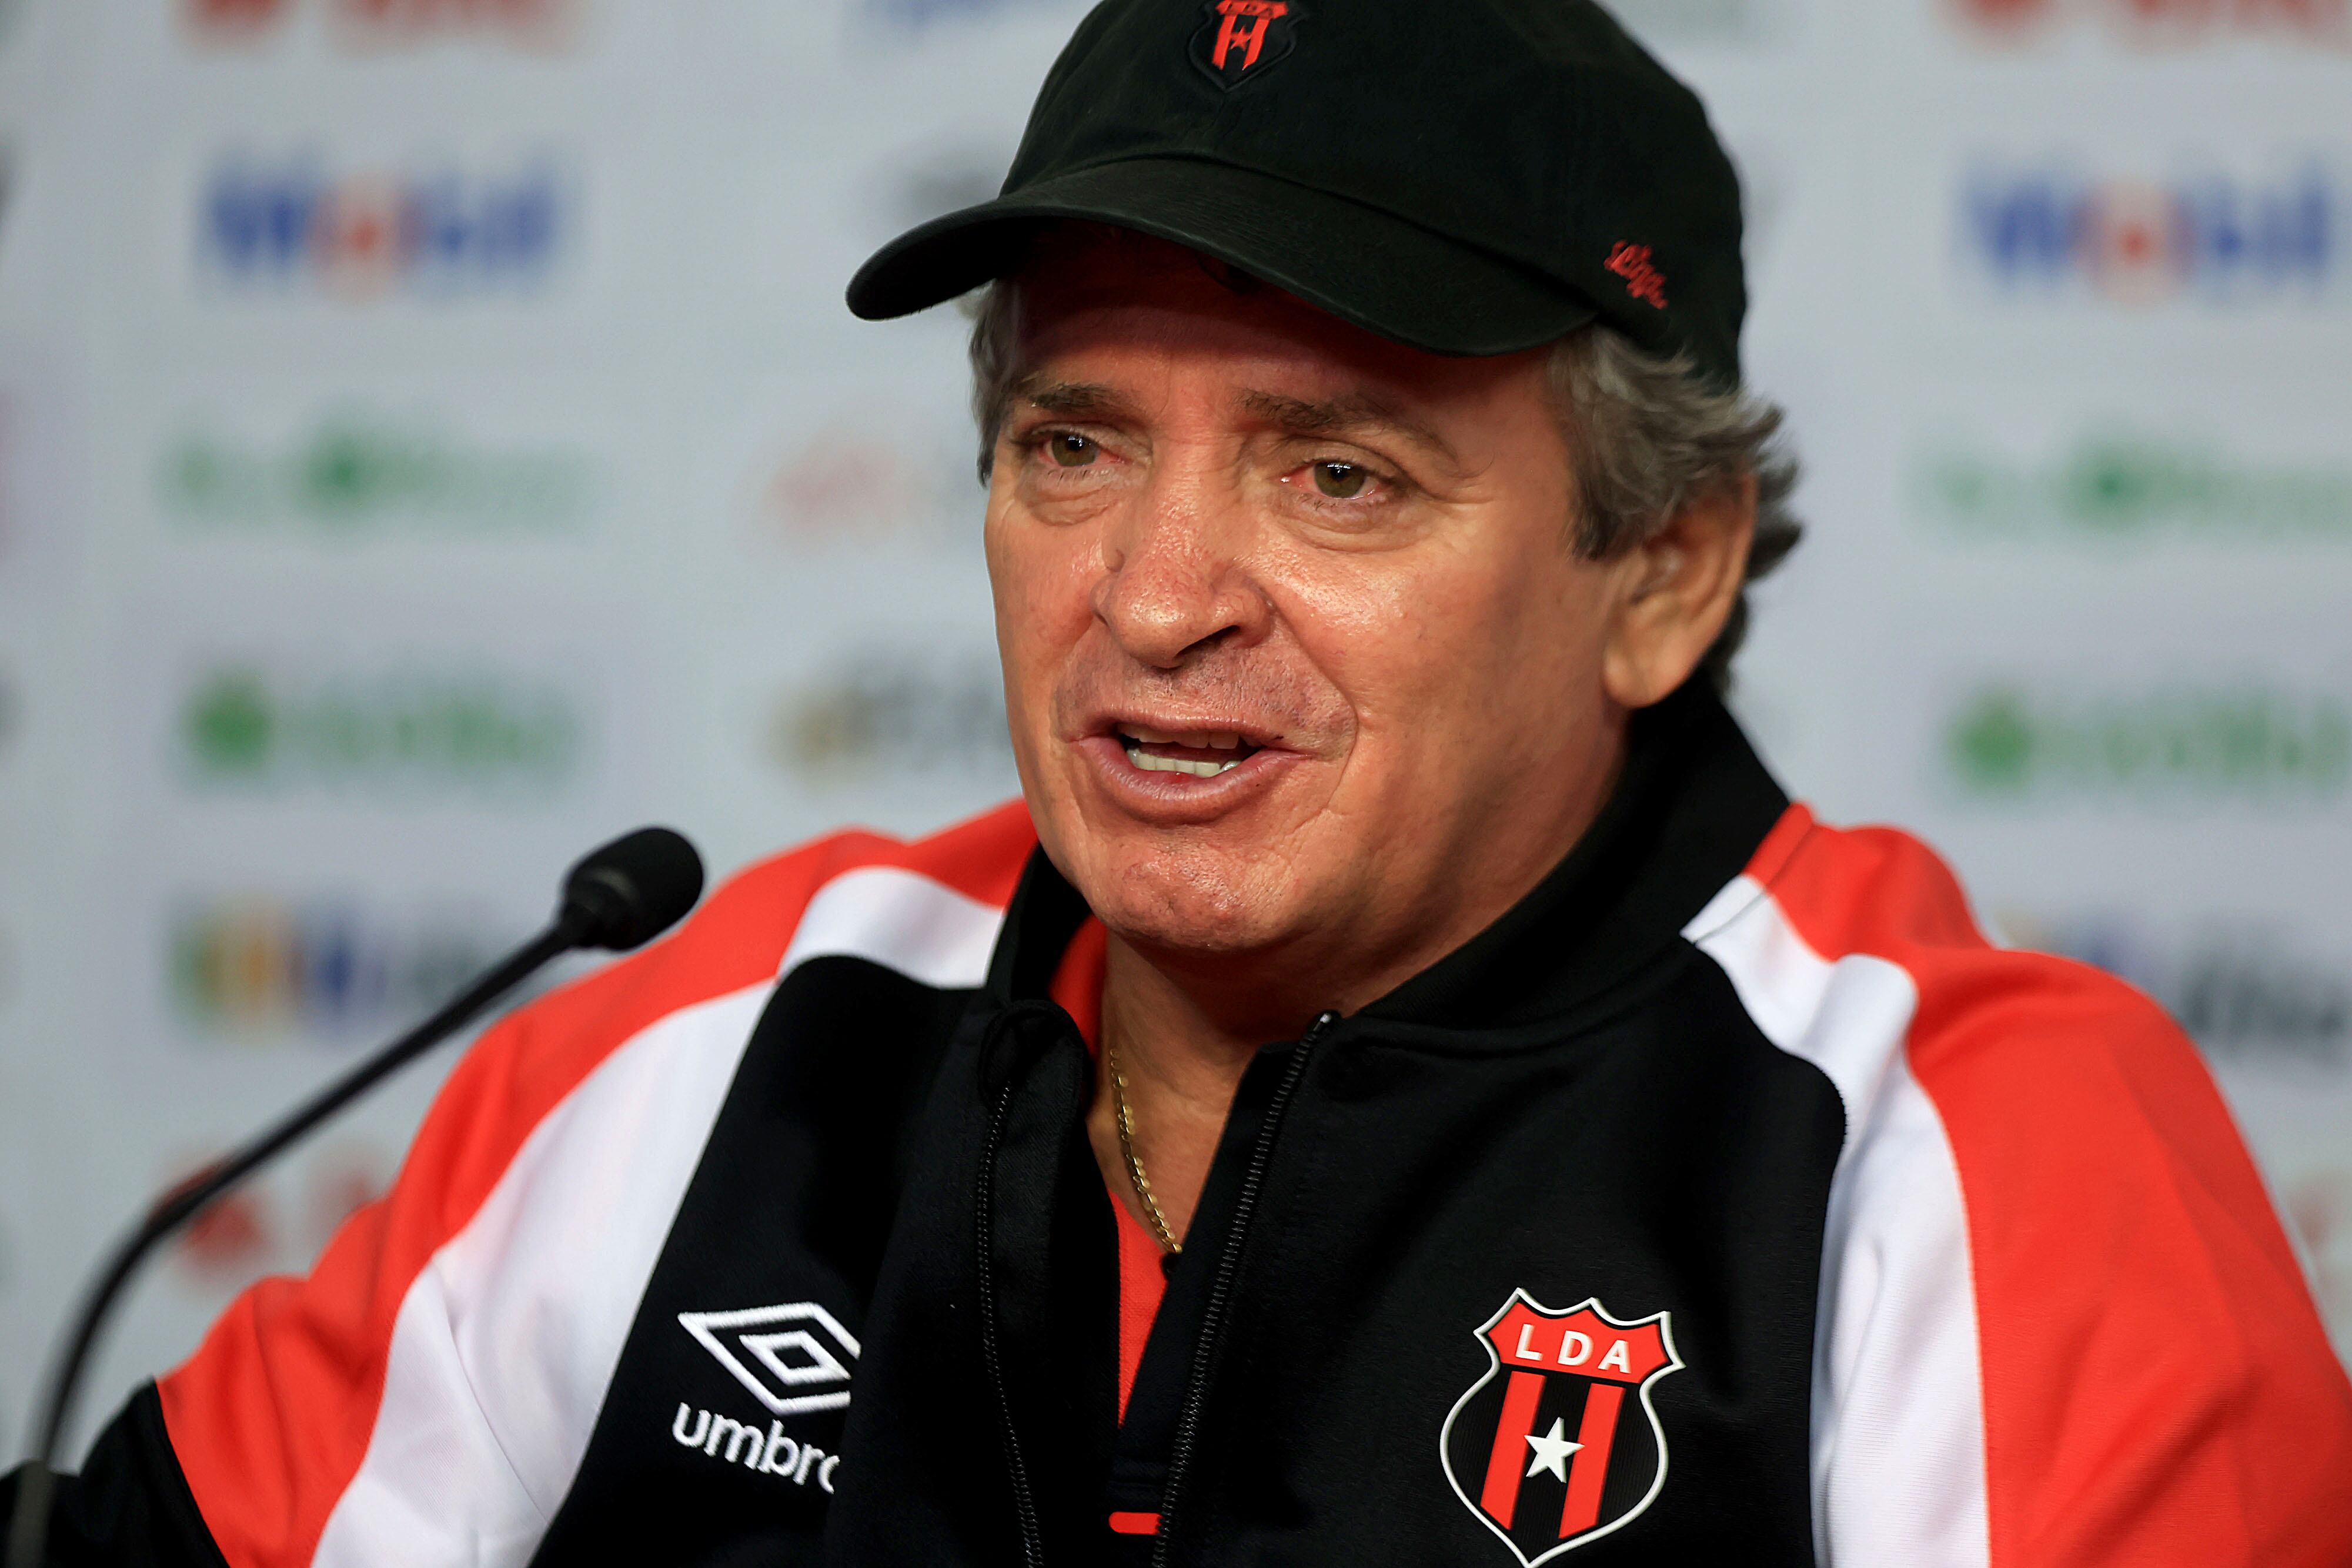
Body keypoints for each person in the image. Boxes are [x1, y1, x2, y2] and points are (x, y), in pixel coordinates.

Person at [9, 0, 2351, 1563]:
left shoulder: (1982, 1168)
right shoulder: (722, 1038)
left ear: (1658, 563)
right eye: (1068, 443)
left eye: (1335, 475)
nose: (1145, 596)